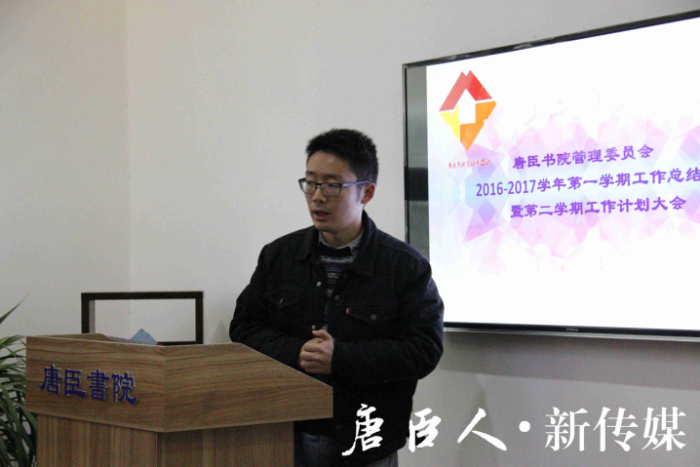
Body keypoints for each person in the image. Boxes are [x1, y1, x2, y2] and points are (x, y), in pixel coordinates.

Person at [229, 128, 444, 467]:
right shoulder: (279, 255)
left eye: (332, 185)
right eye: (310, 183)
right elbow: (244, 328)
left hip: (366, 442)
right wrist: (296, 352)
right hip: (287, 435)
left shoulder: (404, 266)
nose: (317, 197)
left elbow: (423, 349)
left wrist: (340, 358)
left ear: (366, 192)